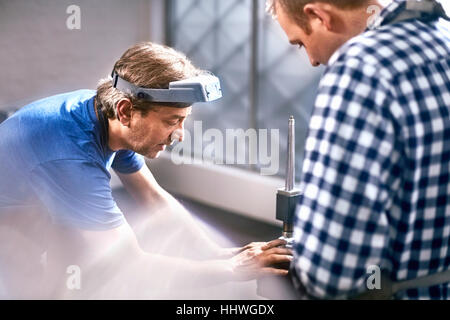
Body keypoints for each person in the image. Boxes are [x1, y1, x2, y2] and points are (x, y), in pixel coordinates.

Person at [0, 42, 292, 299]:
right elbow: (129, 263)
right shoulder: (72, 154)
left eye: (183, 120)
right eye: (171, 121)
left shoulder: (107, 114)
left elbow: (153, 198)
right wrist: (231, 269)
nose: (180, 134)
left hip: (36, 208)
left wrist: (217, 254)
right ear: (127, 111)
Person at [267, 0, 450, 299]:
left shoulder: (362, 67)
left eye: (301, 43)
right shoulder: (444, 35)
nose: (312, 61)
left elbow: (332, 274)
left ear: (318, 17)